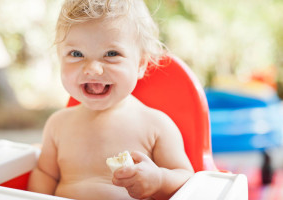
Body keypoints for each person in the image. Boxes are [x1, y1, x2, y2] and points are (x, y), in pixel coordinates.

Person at [28, 0, 194, 199]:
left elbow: (187, 180)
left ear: (141, 64)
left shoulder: (156, 126)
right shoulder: (57, 125)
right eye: (76, 54)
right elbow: (45, 175)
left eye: (111, 54)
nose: (92, 68)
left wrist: (159, 180)